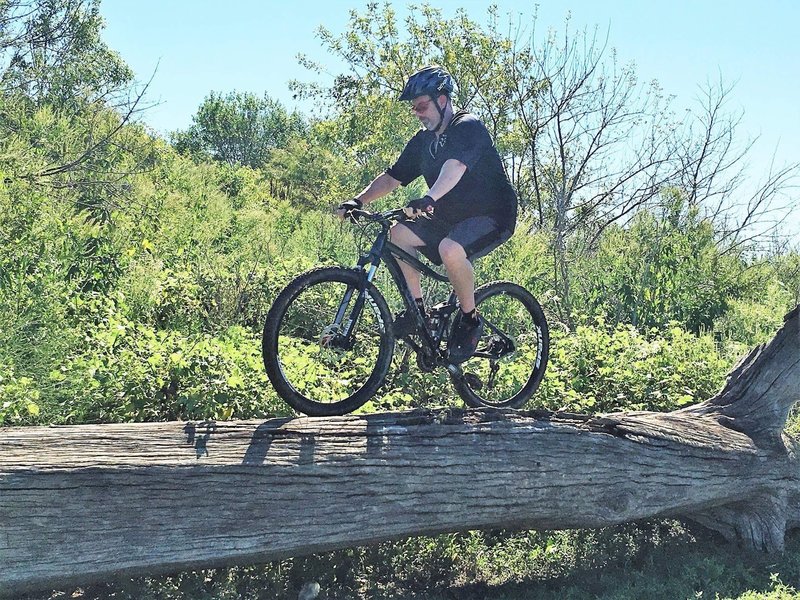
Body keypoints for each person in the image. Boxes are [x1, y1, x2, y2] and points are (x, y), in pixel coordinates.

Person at [337, 65, 518, 363]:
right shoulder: (423, 142)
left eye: (422, 106)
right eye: (414, 109)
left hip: (493, 214)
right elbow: (392, 177)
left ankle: (470, 320)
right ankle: (418, 312)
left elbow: (455, 168)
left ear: (442, 100)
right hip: (449, 217)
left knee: (450, 249)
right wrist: (359, 200)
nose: (417, 113)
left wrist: (429, 197)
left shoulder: (468, 127)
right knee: (397, 234)